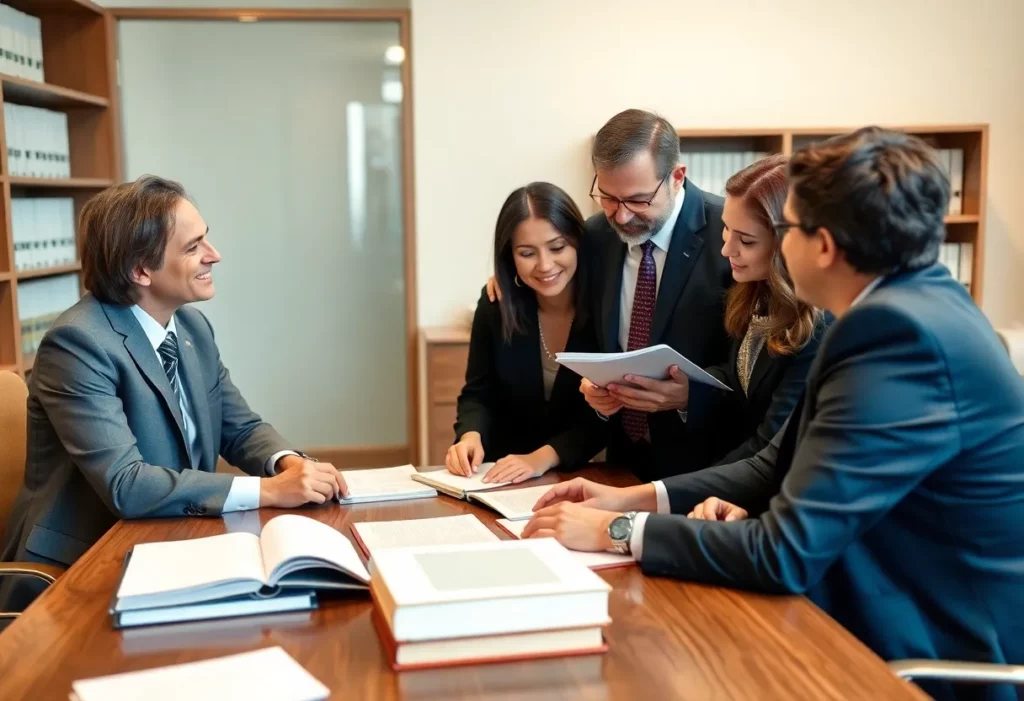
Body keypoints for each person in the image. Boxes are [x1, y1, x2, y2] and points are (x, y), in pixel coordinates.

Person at [523, 127, 1024, 701]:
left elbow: (784, 553)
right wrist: (628, 499)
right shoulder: (912, 304)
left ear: (824, 246)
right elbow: (777, 463)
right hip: (879, 596)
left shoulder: (896, 337)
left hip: (928, 649)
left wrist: (616, 531)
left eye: (786, 231)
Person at [1, 175, 349, 610]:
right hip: (80, 569)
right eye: (192, 247)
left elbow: (239, 428)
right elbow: (127, 485)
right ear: (140, 271)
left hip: (165, 543)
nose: (214, 255)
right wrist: (269, 491)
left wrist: (290, 463)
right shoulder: (78, 344)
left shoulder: (190, 328)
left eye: (206, 239)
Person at [489, 109, 734, 481]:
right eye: (607, 197)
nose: (620, 217)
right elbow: (548, 263)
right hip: (623, 463)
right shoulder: (598, 237)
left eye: (637, 200)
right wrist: (505, 276)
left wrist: (690, 396)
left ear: (677, 177)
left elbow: (756, 372)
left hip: (710, 467)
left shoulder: (730, 236)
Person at [446, 182, 604, 484]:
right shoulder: (497, 303)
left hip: (582, 473)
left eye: (557, 247)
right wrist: (469, 435)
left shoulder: (607, 305)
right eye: (527, 253)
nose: (545, 265)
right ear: (510, 256)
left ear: (578, 243)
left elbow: (605, 415)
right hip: (501, 475)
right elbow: (478, 391)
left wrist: (540, 459)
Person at [677, 154, 827, 469]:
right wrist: (686, 390)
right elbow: (740, 382)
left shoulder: (819, 325)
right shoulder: (756, 290)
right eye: (726, 230)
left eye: (745, 240)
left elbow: (769, 447)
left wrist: (668, 494)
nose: (726, 249)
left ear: (788, 245)